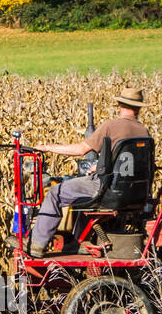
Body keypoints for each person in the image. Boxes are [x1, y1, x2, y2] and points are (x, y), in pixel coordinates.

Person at [26, 87, 151, 257]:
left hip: (106, 189)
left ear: (120, 104)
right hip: (134, 194)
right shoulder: (144, 132)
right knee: (81, 194)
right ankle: (77, 242)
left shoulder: (111, 126)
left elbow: (81, 149)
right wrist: (101, 165)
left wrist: (47, 148)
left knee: (56, 192)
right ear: (139, 108)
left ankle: (36, 245)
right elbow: (129, 161)